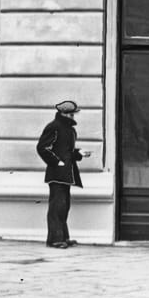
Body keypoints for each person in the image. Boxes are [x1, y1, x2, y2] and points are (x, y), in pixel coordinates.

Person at [36, 100, 90, 248]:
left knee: (64, 206)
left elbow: (66, 152)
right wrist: (56, 162)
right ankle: (55, 239)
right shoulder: (54, 127)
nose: (74, 117)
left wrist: (79, 154)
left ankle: (63, 237)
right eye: (72, 114)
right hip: (57, 173)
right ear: (64, 114)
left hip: (65, 173)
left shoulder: (69, 129)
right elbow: (42, 148)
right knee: (57, 207)